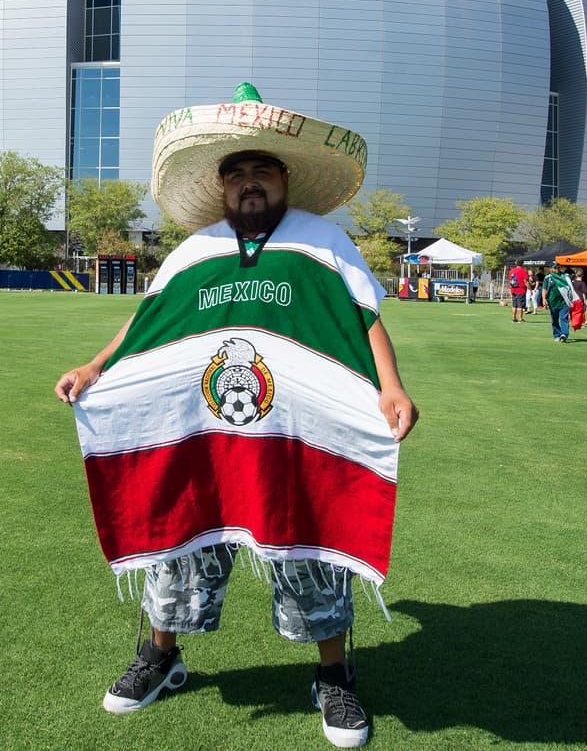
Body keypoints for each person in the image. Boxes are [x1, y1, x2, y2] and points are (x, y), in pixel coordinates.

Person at [55, 84, 417, 748]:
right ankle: (161, 657)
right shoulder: (194, 252)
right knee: (183, 530)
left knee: (308, 535)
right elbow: (147, 327)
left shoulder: (323, 242)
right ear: (222, 187)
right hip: (209, 435)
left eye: (262, 170)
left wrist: (390, 387)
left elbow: (364, 321)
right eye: (236, 173)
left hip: (291, 436)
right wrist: (95, 367)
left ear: (285, 179)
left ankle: (333, 674)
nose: (249, 182)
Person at [542, 263, 574, 343]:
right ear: (551, 269)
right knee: (554, 320)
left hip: (564, 301)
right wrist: (544, 299)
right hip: (553, 302)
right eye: (554, 268)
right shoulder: (548, 278)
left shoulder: (565, 276)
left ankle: (564, 334)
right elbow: (544, 289)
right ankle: (557, 335)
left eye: (558, 267)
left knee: (564, 318)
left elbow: (570, 287)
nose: (556, 269)